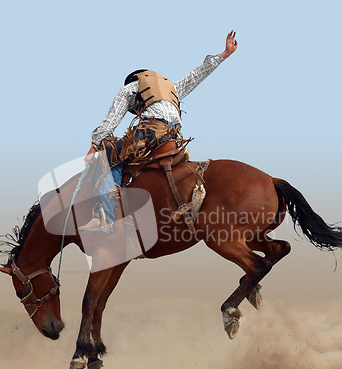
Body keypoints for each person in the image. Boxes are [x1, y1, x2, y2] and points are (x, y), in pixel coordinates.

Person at [79, 30, 238, 233]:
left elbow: (110, 121)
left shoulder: (130, 88)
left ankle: (104, 216)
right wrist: (224, 53)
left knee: (109, 155)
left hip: (150, 132)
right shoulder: (171, 87)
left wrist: (95, 146)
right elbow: (197, 74)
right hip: (173, 136)